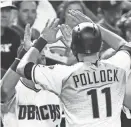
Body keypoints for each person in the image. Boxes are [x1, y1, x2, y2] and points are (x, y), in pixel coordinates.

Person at [17, 10, 131, 127]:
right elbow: (126, 46)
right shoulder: (117, 66)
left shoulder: (63, 74)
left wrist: (42, 40)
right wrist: (96, 28)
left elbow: (22, 68)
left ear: (73, 48)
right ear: (100, 45)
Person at [1, 24, 62, 127]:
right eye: (36, 56)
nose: (41, 59)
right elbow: (4, 91)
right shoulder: (15, 88)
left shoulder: (55, 87)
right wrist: (27, 50)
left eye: (43, 57)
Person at [1, 1, 21, 73]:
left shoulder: (15, 36)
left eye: (7, 11)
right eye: (1, 10)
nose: (4, 15)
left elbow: (17, 68)